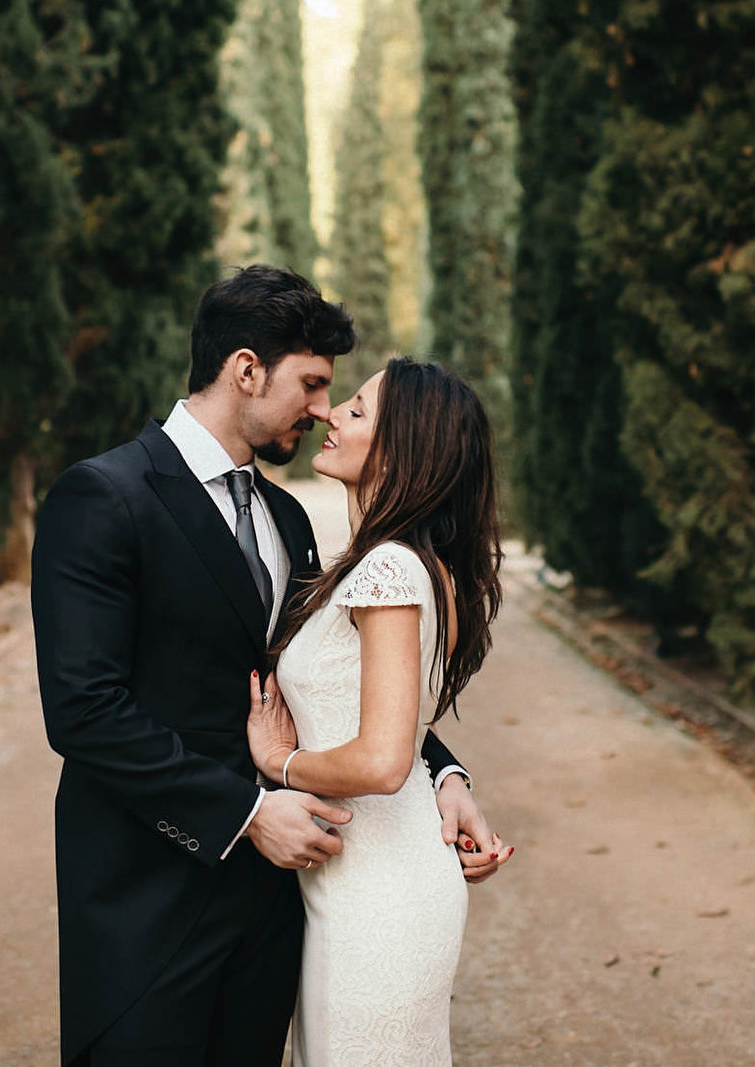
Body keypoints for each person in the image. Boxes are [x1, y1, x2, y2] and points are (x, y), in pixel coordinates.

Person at [31, 266, 505, 1067]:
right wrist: (248, 814)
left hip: (277, 910)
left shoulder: (288, 517)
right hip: (150, 900)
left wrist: (446, 775)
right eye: (315, 385)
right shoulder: (103, 498)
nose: (325, 409)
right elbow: (84, 710)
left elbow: (338, 686)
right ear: (246, 370)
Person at [246, 357, 506, 1067]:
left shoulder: (389, 570)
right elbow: (410, 731)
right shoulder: (411, 564)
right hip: (364, 879)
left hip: (378, 895)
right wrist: (452, 779)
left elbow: (386, 759)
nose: (331, 414)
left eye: (356, 411)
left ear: (404, 452)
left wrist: (280, 763)